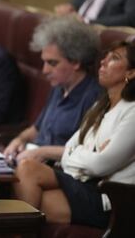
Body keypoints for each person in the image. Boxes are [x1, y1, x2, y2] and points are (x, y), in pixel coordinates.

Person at [13, 41, 135, 228]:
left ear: (131, 73)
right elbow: (70, 148)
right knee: (28, 176)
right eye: (106, 56)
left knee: (28, 185)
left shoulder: (132, 111)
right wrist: (85, 154)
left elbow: (100, 165)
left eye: (114, 58)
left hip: (110, 200)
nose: (103, 62)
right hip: (83, 183)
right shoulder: (100, 105)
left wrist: (78, 155)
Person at [3, 16, 101, 164]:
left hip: (61, 170)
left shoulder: (94, 96)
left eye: (52, 63)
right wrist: (19, 139)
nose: (45, 70)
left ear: (76, 61)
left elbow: (85, 151)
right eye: (44, 62)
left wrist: (40, 152)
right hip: (36, 161)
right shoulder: (58, 87)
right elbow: (37, 129)